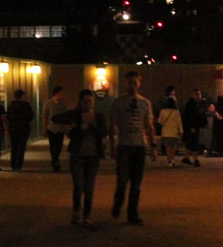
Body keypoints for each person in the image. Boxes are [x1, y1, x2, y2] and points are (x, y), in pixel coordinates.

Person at [52, 89, 109, 227]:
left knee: (89, 187)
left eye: (90, 101)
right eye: (85, 102)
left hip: (93, 157)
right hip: (77, 156)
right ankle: (76, 211)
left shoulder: (98, 116)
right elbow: (57, 119)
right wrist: (77, 128)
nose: (88, 104)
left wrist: (93, 127)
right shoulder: (76, 116)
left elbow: (104, 132)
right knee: (79, 186)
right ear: (80, 103)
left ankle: (87, 215)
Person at [109, 71, 156, 224]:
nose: (132, 85)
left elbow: (149, 126)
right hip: (124, 145)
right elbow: (112, 125)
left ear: (139, 83)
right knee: (122, 180)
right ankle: (118, 203)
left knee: (136, 183)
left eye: (135, 82)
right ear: (125, 83)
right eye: (130, 82)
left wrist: (153, 146)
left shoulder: (145, 103)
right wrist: (112, 145)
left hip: (139, 146)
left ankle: (132, 213)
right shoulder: (118, 102)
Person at [6, 89, 34, 171]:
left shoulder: (11, 105)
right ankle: (18, 165)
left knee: (14, 147)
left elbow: (8, 116)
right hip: (23, 128)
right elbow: (31, 116)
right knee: (21, 147)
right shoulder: (26, 105)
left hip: (13, 128)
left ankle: (13, 164)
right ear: (22, 96)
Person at [43, 86, 69, 172]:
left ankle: (55, 158)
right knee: (53, 145)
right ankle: (55, 161)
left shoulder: (63, 104)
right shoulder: (49, 103)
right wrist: (45, 128)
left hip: (60, 128)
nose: (62, 95)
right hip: (52, 127)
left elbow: (66, 116)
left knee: (59, 145)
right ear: (56, 93)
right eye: (61, 93)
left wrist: (66, 128)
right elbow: (45, 116)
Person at [180, 89, 203, 166]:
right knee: (194, 143)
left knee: (190, 143)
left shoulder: (192, 103)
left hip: (189, 127)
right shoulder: (192, 104)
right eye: (198, 94)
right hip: (192, 127)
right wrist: (192, 126)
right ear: (194, 95)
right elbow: (190, 116)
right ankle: (196, 159)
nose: (200, 96)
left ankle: (186, 158)